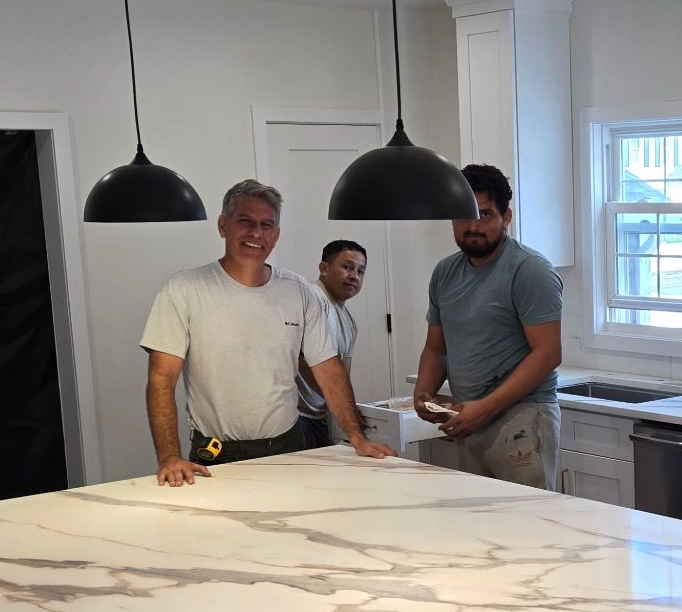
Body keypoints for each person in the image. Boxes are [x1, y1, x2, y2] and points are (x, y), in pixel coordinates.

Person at [140, 179, 393, 486]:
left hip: (287, 449)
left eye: (266, 225)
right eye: (245, 221)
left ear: (276, 236)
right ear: (223, 226)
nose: (256, 233)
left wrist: (357, 437)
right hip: (215, 455)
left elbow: (329, 369)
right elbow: (161, 379)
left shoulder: (298, 291)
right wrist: (169, 457)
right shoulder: (184, 290)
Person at [413, 164, 563, 490]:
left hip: (521, 415)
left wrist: (485, 408)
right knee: (480, 523)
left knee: (530, 523)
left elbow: (548, 353)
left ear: (506, 217)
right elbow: (437, 348)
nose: (472, 227)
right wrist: (423, 392)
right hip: (467, 417)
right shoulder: (444, 273)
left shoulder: (529, 270)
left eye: (485, 215)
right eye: (463, 216)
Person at [296, 239, 368, 448]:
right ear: (324, 268)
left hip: (321, 416)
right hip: (296, 417)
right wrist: (342, 406)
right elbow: (302, 361)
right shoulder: (313, 297)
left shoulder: (350, 322)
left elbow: (342, 375)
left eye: (361, 271)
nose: (354, 276)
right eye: (347, 267)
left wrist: (346, 409)